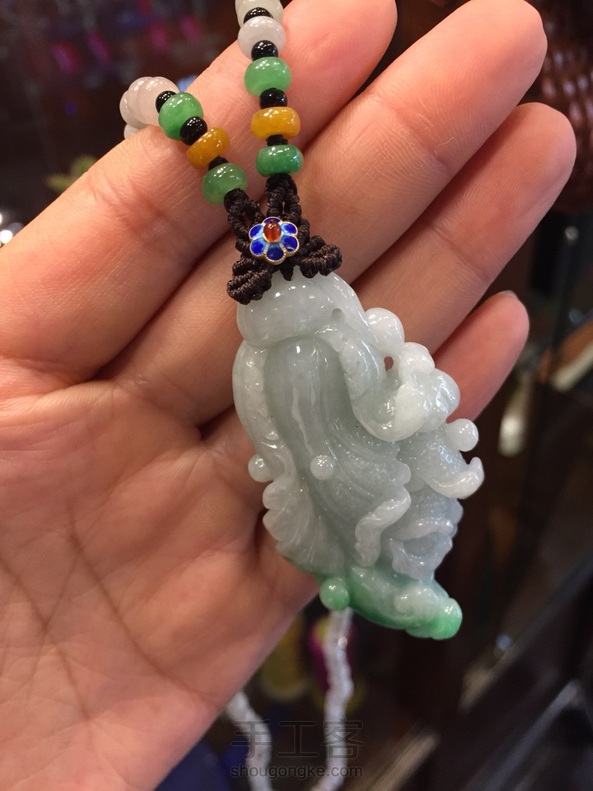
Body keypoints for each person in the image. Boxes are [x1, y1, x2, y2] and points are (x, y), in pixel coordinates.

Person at [0, 0, 575, 788]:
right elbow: (281, 440)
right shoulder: (267, 361)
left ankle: (387, 580)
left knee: (382, 487)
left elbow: (374, 395)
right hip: (334, 483)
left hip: (366, 471)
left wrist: (400, 399)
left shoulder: (326, 337)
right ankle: (376, 583)